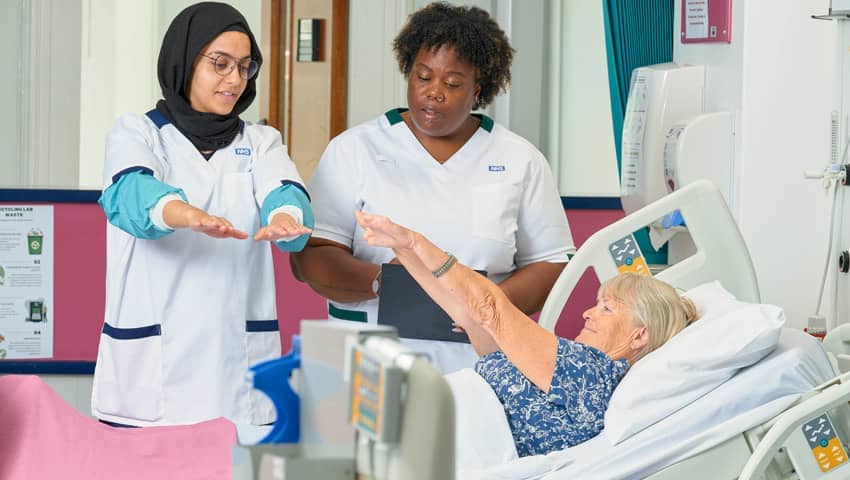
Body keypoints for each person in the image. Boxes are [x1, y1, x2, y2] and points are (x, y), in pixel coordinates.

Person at [290, 2, 574, 373]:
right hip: (362, 360)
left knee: (473, 431)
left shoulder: (519, 158)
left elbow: (551, 263)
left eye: (453, 83)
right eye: (423, 77)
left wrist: (486, 304)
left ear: (480, 89)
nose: (434, 93)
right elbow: (311, 254)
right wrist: (382, 282)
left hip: (479, 363)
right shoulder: (355, 149)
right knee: (350, 432)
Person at [91, 2, 312, 427]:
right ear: (185, 60)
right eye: (220, 64)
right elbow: (131, 195)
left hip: (236, 368)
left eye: (245, 66)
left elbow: (283, 189)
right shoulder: (138, 132)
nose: (234, 79)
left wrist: (286, 217)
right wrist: (185, 214)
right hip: (153, 374)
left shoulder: (261, 141)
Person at [354, 211, 698, 457]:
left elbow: (490, 306)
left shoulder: (590, 373)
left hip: (429, 444)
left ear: (639, 336)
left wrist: (417, 241)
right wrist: (402, 249)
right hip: (413, 430)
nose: (588, 313)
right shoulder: (560, 372)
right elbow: (471, 317)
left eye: (607, 308)